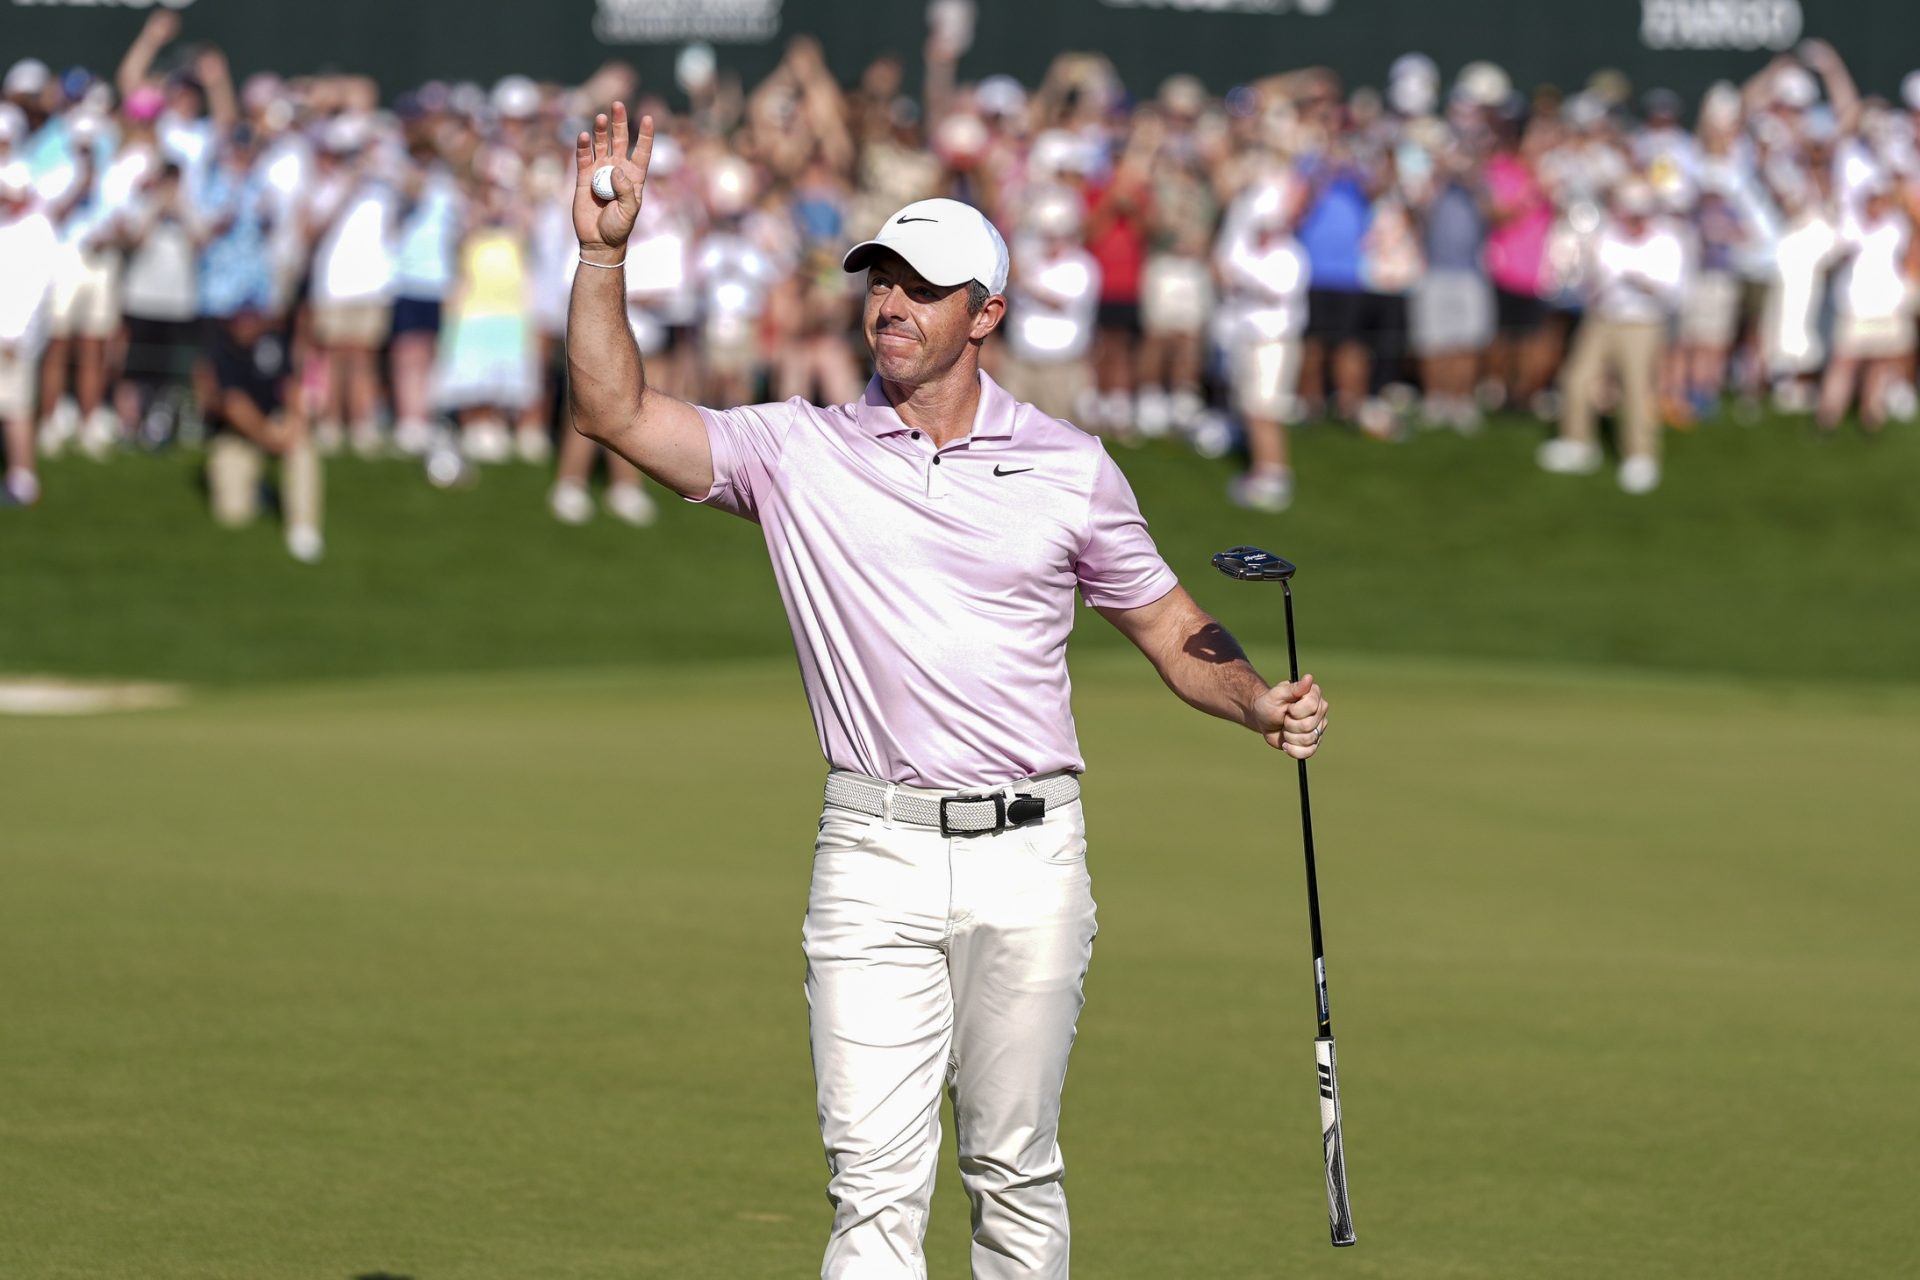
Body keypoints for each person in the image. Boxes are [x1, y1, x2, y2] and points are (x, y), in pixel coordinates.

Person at [566, 104, 1330, 1279]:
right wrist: (604, 258)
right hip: (871, 853)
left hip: (1033, 854)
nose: (890, 305)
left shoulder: (1070, 468)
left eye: (923, 286)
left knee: (1014, 1169)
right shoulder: (796, 449)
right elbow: (614, 412)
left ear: (987, 312)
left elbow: (1177, 627)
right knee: (873, 1189)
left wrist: (1257, 699)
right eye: (880, 280)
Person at [1540, 180, 1686, 494]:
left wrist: (1640, 281)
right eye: (1629, 213)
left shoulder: (1666, 241)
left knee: (1635, 388)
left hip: (1642, 324)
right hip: (1602, 319)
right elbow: (1590, 279)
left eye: (1639, 214)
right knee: (1577, 379)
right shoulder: (1606, 236)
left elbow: (1672, 292)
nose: (1634, 220)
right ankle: (1578, 442)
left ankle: (1640, 455)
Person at [205, 305, 323, 561]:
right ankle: (258, 489)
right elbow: (233, 405)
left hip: (275, 421)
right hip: (237, 434)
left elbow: (292, 386)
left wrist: (295, 423)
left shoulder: (276, 343)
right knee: (233, 514)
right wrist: (268, 438)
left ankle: (303, 526)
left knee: (301, 448)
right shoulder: (221, 350)